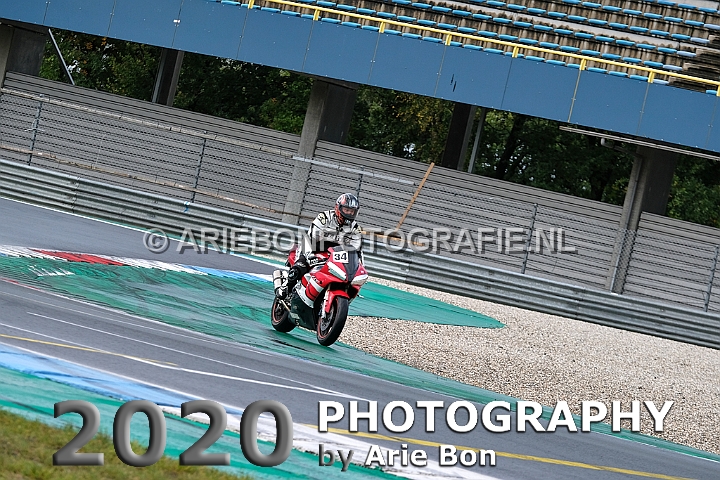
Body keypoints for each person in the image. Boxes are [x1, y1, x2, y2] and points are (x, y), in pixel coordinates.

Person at [278, 193, 362, 299]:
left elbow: (357, 251)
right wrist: (309, 256)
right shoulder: (324, 218)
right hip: (314, 248)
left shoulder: (355, 228)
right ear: (338, 208)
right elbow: (311, 239)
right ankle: (286, 287)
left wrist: (359, 268)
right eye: (347, 210)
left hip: (334, 255)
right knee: (299, 268)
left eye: (352, 211)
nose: (349, 214)